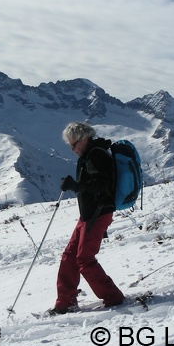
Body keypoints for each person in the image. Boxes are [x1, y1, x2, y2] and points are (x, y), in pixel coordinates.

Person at [48, 122, 124, 315]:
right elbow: (91, 183)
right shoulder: (88, 155)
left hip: (99, 214)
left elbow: (101, 184)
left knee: (84, 258)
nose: (72, 149)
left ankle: (113, 297)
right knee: (69, 256)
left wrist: (77, 186)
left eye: (73, 144)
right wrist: (77, 185)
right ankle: (65, 303)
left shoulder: (97, 155)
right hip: (88, 215)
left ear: (84, 139)